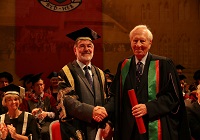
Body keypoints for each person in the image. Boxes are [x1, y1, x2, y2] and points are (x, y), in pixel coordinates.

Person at [105, 25, 191, 140]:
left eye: (142, 41)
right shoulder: (124, 65)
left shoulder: (163, 64)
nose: (138, 45)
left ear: (150, 43)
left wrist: (148, 108)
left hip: (154, 125)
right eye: (135, 41)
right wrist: (108, 119)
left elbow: (173, 97)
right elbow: (116, 97)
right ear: (130, 42)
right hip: (128, 129)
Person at [58, 27, 110, 140]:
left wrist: (108, 121)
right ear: (75, 50)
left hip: (98, 129)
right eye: (82, 46)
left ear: (93, 49)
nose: (86, 49)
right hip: (76, 130)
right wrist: (92, 111)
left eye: (89, 46)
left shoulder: (100, 73)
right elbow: (67, 102)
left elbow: (107, 99)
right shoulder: (65, 72)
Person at [26, 73, 57, 140]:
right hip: (34, 122)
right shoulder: (29, 100)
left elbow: (56, 114)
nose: (39, 87)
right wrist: (32, 114)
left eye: (41, 84)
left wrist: (46, 114)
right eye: (37, 85)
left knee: (44, 132)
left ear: (44, 86)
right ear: (33, 87)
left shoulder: (49, 98)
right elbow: (25, 114)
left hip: (47, 122)